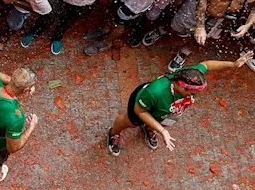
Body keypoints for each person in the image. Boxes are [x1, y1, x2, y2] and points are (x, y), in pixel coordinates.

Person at [107, 53, 253, 155]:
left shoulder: (191, 75)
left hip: (166, 111)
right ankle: (113, 133)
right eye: (191, 93)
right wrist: (163, 131)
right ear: (180, 86)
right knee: (130, 121)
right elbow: (140, 112)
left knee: (160, 122)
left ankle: (151, 128)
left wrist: (232, 64)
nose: (193, 96)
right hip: (143, 106)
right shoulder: (155, 91)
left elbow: (206, 65)